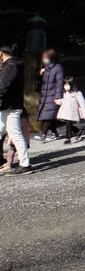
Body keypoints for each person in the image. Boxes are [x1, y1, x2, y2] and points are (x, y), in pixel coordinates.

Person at [0, 46, 30, 175]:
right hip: (9, 106)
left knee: (16, 135)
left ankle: (25, 164)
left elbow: (3, 86)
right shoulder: (15, 65)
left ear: (1, 54)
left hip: (10, 107)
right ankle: (25, 163)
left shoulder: (10, 66)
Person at [36, 48, 64, 142]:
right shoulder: (45, 68)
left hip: (53, 95)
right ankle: (55, 133)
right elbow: (39, 82)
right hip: (45, 95)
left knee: (48, 115)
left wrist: (58, 96)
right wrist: (40, 75)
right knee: (48, 115)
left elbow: (59, 83)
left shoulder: (58, 67)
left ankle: (43, 134)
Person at [55, 76, 85, 144]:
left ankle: (68, 138)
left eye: (67, 84)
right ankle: (78, 131)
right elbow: (63, 101)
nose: (66, 86)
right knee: (68, 125)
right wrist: (58, 101)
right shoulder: (65, 93)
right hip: (65, 111)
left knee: (68, 125)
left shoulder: (77, 93)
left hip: (72, 112)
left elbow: (82, 103)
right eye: (65, 84)